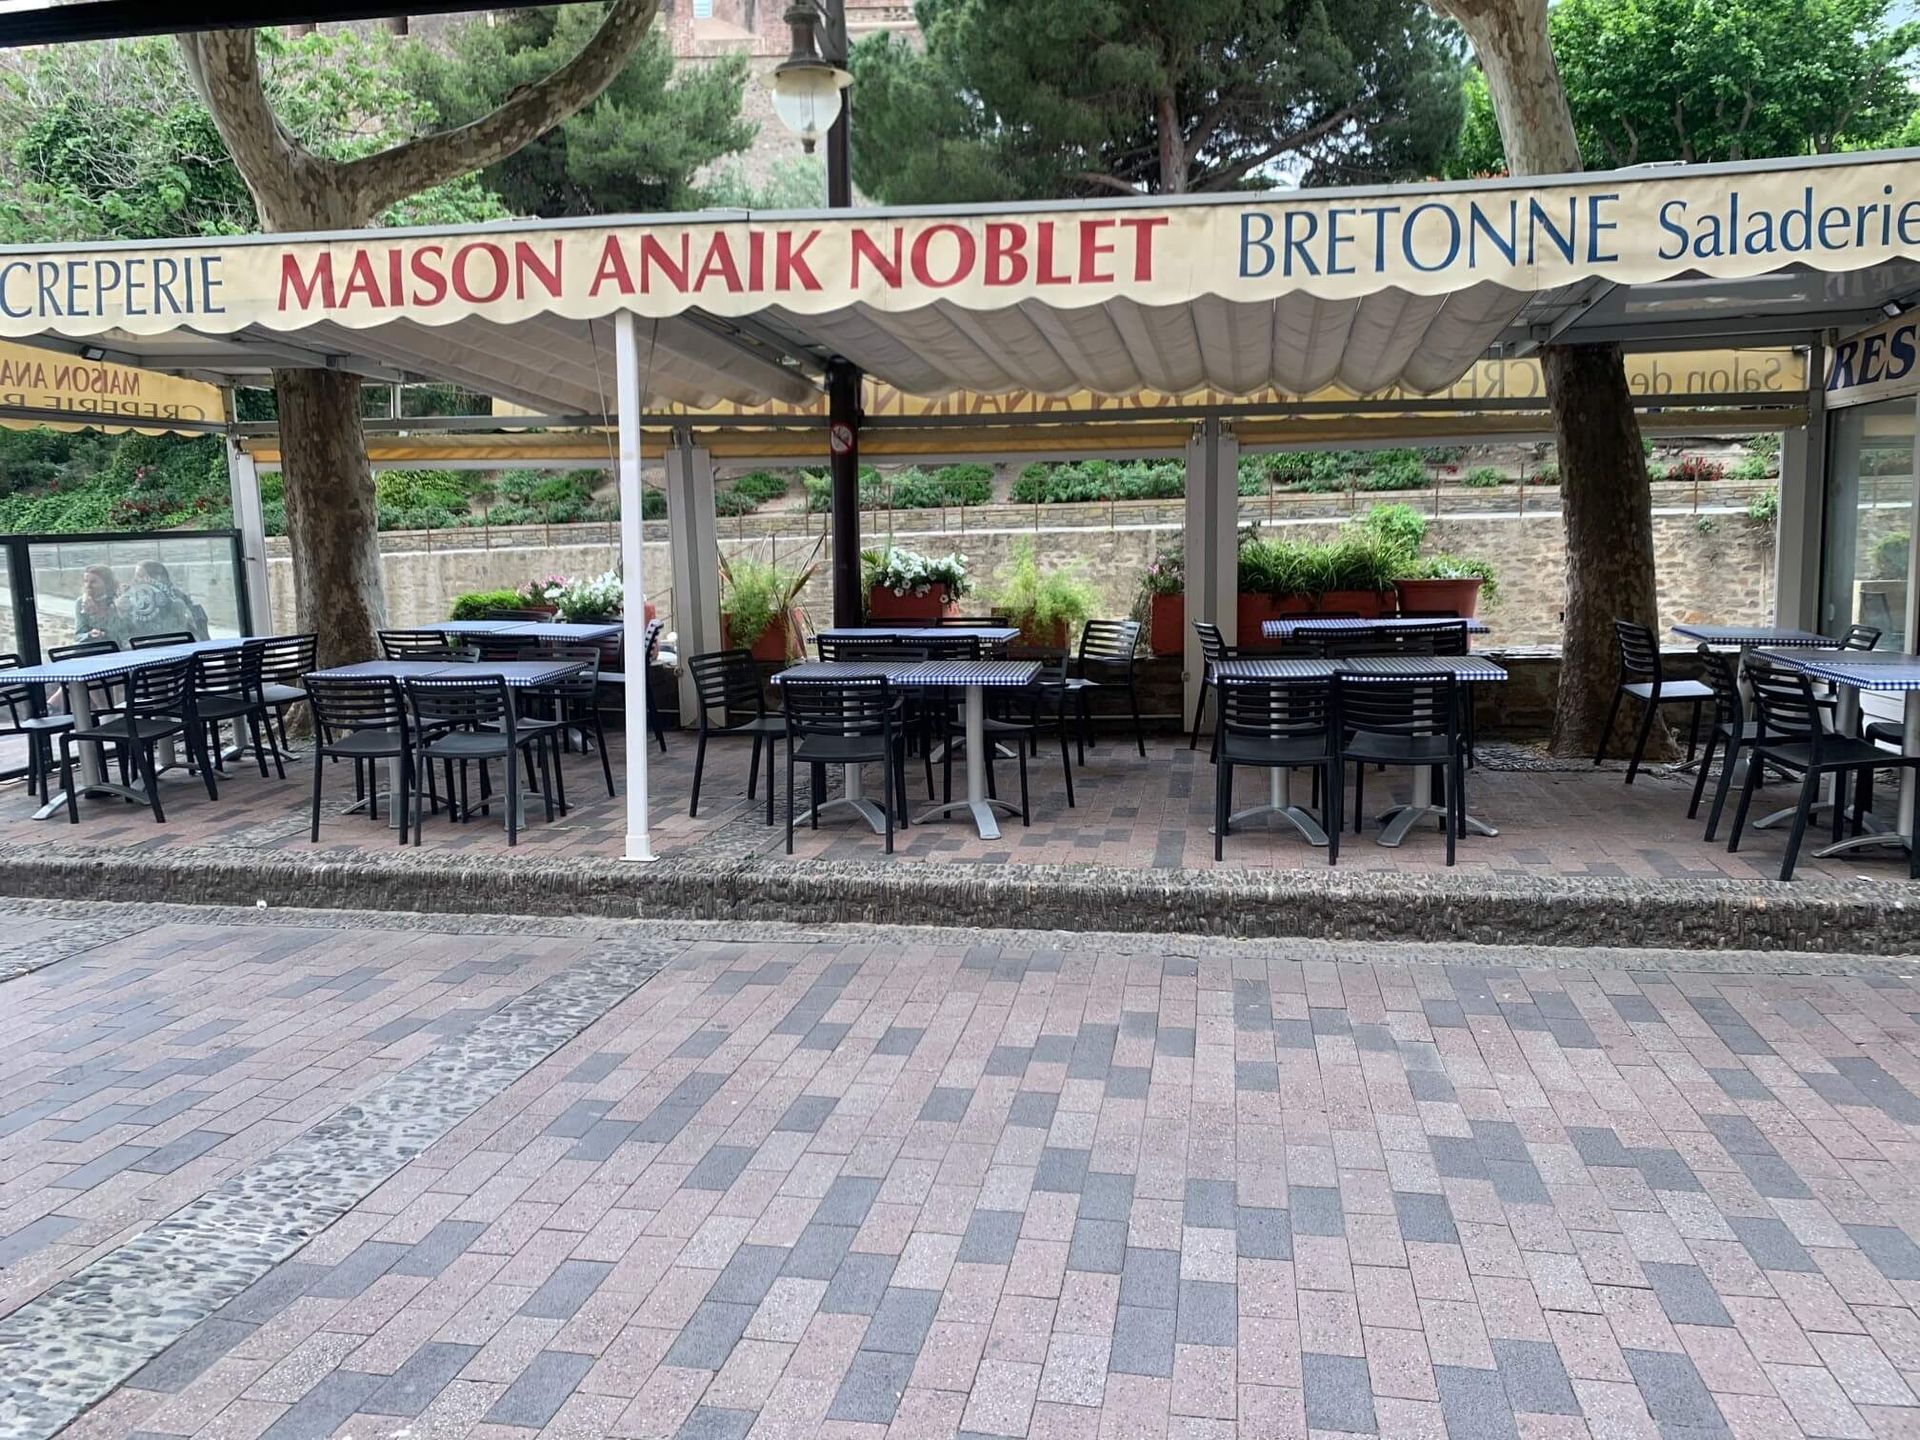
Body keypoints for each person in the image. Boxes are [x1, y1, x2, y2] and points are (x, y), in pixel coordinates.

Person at [110, 560, 209, 645]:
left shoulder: (176, 599)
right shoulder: (132, 598)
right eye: (136, 577)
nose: (135, 580)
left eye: (140, 576)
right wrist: (121, 610)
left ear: (157, 578)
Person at [73, 565, 118, 641]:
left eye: (93, 582)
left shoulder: (116, 601)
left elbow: (124, 634)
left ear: (107, 583)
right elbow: (78, 636)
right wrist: (88, 635)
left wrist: (104, 634)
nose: (88, 585)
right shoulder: (81, 602)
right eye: (86, 581)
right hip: (92, 648)